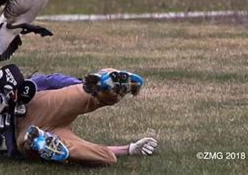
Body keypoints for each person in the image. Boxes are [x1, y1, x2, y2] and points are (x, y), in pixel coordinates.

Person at [15, 69, 158, 165]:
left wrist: (129, 149)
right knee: (107, 157)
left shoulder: (17, 90)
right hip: (28, 128)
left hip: (39, 117)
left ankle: (103, 85)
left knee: (108, 157)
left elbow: (50, 81)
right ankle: (103, 86)